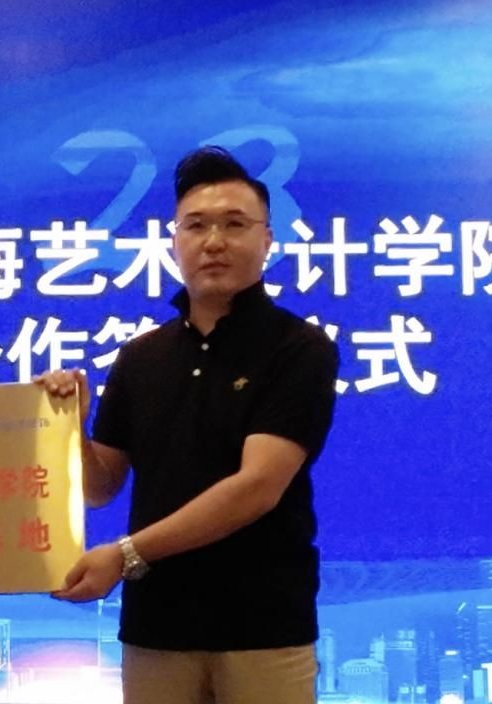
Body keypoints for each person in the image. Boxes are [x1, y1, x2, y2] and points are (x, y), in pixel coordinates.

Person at [36, 146, 339, 703]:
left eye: (235, 224)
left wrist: (125, 555)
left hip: (263, 625)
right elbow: (101, 486)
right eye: (196, 226)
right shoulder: (140, 357)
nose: (214, 241)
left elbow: (257, 488)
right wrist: (70, 428)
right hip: (157, 626)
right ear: (174, 241)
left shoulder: (299, 348)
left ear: (268, 241)